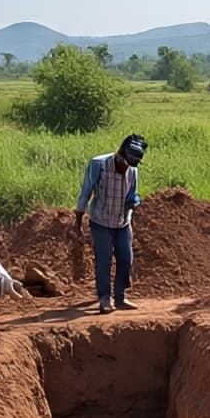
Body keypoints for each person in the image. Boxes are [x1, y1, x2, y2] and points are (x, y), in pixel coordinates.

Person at [74, 134, 146, 314]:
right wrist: (78, 219)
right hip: (100, 222)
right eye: (124, 163)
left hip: (122, 223)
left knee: (125, 260)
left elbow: (132, 196)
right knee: (103, 261)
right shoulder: (98, 165)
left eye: (130, 165)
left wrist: (132, 209)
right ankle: (105, 298)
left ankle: (120, 297)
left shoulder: (133, 170)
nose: (126, 168)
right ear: (119, 155)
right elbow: (86, 191)